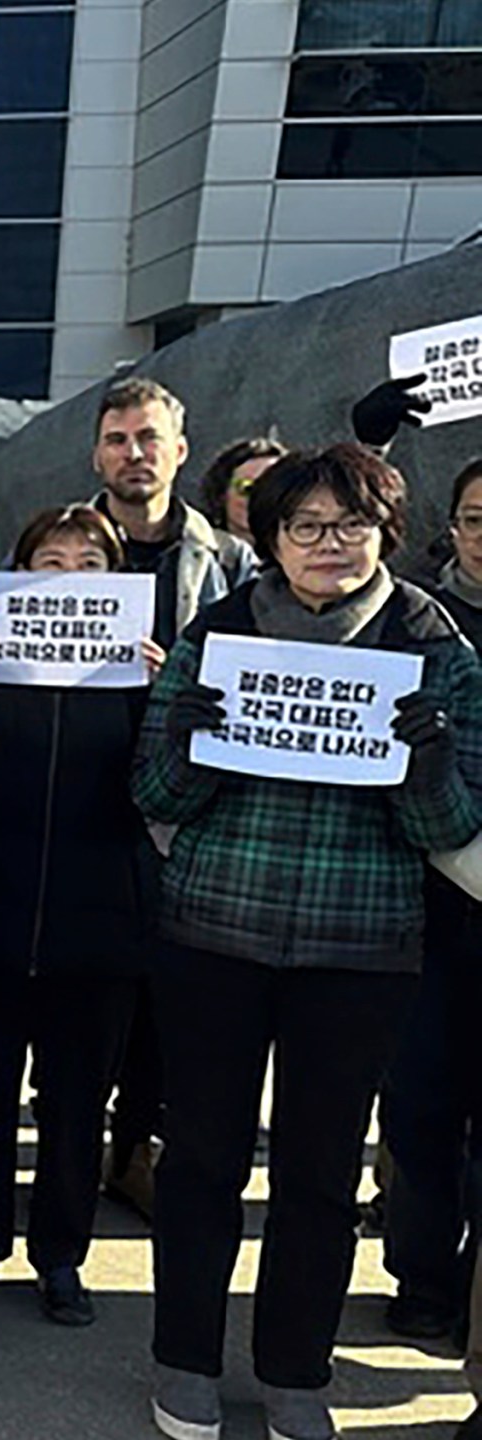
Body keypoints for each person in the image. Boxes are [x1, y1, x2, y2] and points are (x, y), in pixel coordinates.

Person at [136, 444, 482, 1440]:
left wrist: (425, 777)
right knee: (200, 1163)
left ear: (383, 534)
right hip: (213, 938)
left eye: (349, 526)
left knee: (319, 1177)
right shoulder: (216, 636)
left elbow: (455, 830)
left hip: (358, 951)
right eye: (305, 527)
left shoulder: (439, 652)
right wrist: (187, 752)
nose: (328, 545)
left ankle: (293, 1369)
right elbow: (149, 796)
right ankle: (183, 1362)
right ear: (268, 538)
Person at [0, 504, 165, 1330]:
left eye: (89, 564)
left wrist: (159, 697)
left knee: (75, 1102)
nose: (68, 578)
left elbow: (165, 789)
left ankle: (62, 1255)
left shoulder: (144, 676)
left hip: (101, 925)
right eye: (49, 562)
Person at [86, 376, 257, 1222]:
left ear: (179, 451)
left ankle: (134, 1148)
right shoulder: (62, 546)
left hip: (185, 805)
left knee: (166, 992)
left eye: (148, 438)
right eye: (117, 439)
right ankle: (76, 1142)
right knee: (89, 992)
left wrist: (181, 684)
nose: (133, 453)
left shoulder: (228, 560)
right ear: (97, 454)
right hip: (80, 790)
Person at [382, 457, 482, 1342]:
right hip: (427, 902)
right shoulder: (415, 620)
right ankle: (421, 1277)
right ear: (452, 528)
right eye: (478, 517)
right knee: (419, 1102)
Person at [196, 437, 287, 547]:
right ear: (222, 496)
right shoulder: (198, 552)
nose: (259, 497)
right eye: (247, 488)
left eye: (272, 488)